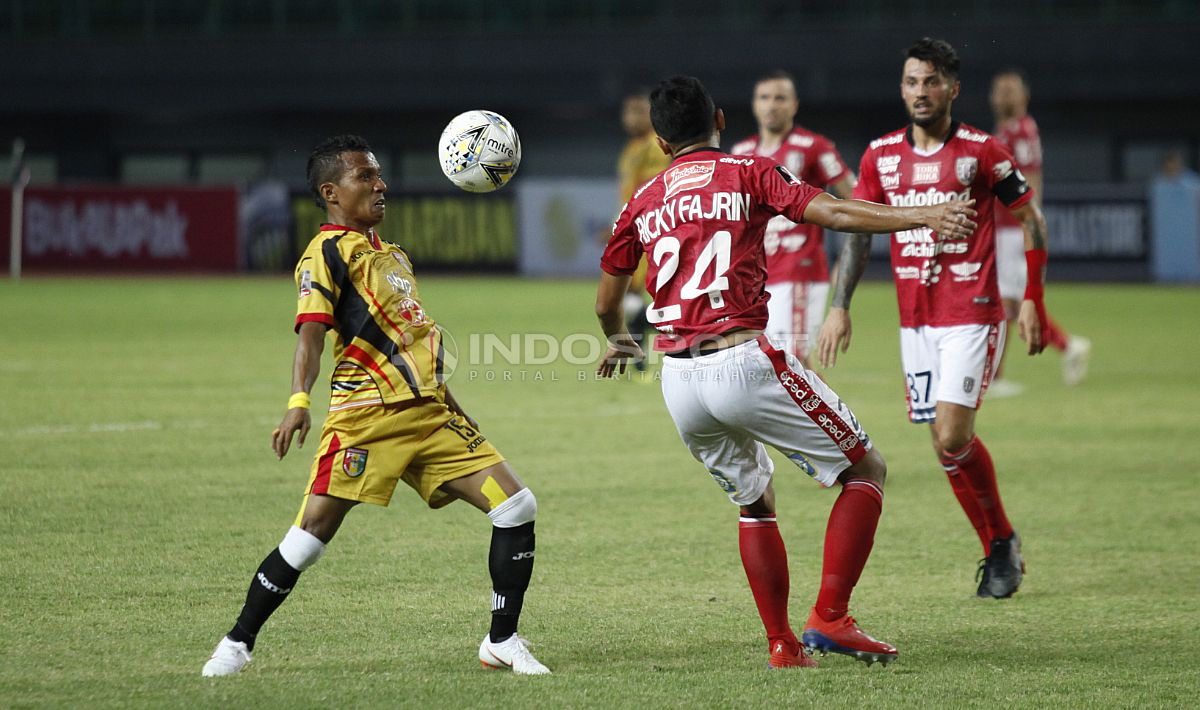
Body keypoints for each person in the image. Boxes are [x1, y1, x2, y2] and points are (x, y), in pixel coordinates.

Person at [595, 76, 978, 668]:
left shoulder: (643, 198)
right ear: (720, 119)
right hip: (741, 361)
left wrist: (620, 341)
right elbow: (834, 212)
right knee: (865, 469)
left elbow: (606, 300)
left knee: (755, 500)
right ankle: (831, 618)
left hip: (678, 380)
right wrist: (923, 214)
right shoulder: (749, 170)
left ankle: (782, 646)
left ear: (663, 141)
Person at [202, 135, 550, 677]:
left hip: (431, 414)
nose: (380, 184)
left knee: (516, 507)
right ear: (331, 192)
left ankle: (500, 642)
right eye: (365, 176)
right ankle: (236, 644)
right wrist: (298, 401)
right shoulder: (326, 253)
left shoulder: (392, 255)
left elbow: (413, 334)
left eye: (379, 174)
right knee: (311, 535)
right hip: (367, 418)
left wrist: (453, 403)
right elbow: (311, 335)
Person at [818, 38, 1048, 599]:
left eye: (932, 82)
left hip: (971, 310)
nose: (921, 92)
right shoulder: (880, 157)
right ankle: (1000, 543)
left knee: (951, 433)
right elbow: (860, 232)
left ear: (953, 88)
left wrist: (1034, 298)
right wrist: (840, 306)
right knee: (944, 445)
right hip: (914, 320)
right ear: (902, 88)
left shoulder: (981, 151)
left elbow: (1031, 218)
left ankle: (999, 545)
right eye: (912, 82)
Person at [730, 71, 856, 366]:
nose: (771, 105)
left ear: (794, 105)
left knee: (794, 359)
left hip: (800, 269)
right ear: (754, 104)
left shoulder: (815, 147)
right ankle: (823, 412)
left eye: (780, 98)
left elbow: (854, 197)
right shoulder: (741, 153)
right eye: (764, 98)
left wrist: (846, 258)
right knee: (768, 363)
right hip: (756, 276)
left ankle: (834, 414)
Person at [990, 67, 1091, 393]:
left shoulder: (1021, 130)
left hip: (1012, 230)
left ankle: (997, 377)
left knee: (1007, 302)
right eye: (1000, 89)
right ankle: (1066, 345)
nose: (1003, 95)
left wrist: (1028, 225)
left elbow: (1030, 179)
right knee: (1013, 303)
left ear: (1024, 96)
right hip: (1003, 228)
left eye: (1010, 89)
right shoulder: (1006, 129)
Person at [615, 91, 673, 374]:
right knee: (631, 296)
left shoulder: (656, 146)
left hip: (654, 231)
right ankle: (637, 352)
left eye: (638, 111)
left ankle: (649, 339)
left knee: (646, 298)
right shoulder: (631, 148)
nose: (631, 118)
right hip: (634, 228)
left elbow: (658, 189)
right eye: (628, 111)